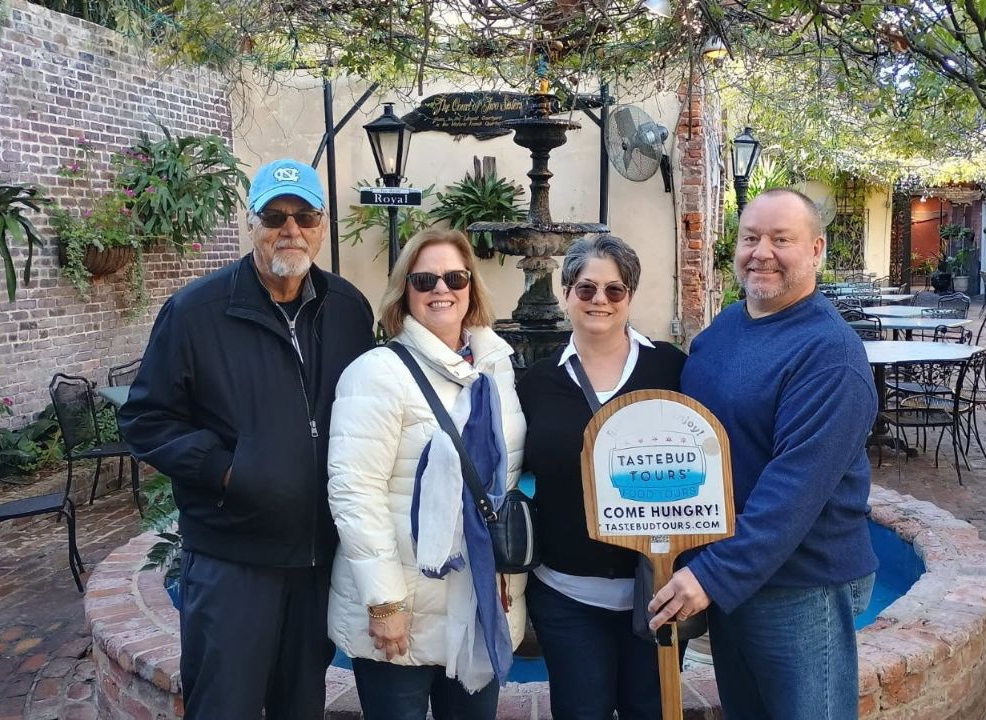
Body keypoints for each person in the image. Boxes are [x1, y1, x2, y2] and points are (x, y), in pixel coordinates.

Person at [118, 158, 374, 718]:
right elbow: (146, 419)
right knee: (224, 705)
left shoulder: (349, 309)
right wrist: (227, 471)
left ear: (321, 225)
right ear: (250, 223)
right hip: (233, 557)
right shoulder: (195, 313)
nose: (291, 230)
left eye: (305, 216)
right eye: (274, 216)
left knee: (299, 704)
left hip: (316, 558)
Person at [647, 188, 878, 720]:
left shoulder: (830, 355)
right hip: (736, 574)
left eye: (781, 239)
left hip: (800, 584)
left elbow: (793, 490)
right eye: (751, 238)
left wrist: (710, 575)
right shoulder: (728, 326)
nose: (761, 252)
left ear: (816, 250)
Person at [326, 229, 527, 720]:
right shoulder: (376, 373)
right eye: (425, 279)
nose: (442, 288)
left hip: (478, 601)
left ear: (471, 288)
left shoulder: (496, 368)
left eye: (455, 277)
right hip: (404, 606)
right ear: (405, 292)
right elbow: (356, 493)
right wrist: (383, 603)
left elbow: (508, 480)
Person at [516, 235, 685, 720]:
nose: (599, 301)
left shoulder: (670, 368)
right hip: (567, 596)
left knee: (649, 711)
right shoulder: (538, 383)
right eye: (586, 288)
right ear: (567, 292)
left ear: (629, 297)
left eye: (615, 290)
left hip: (657, 592)